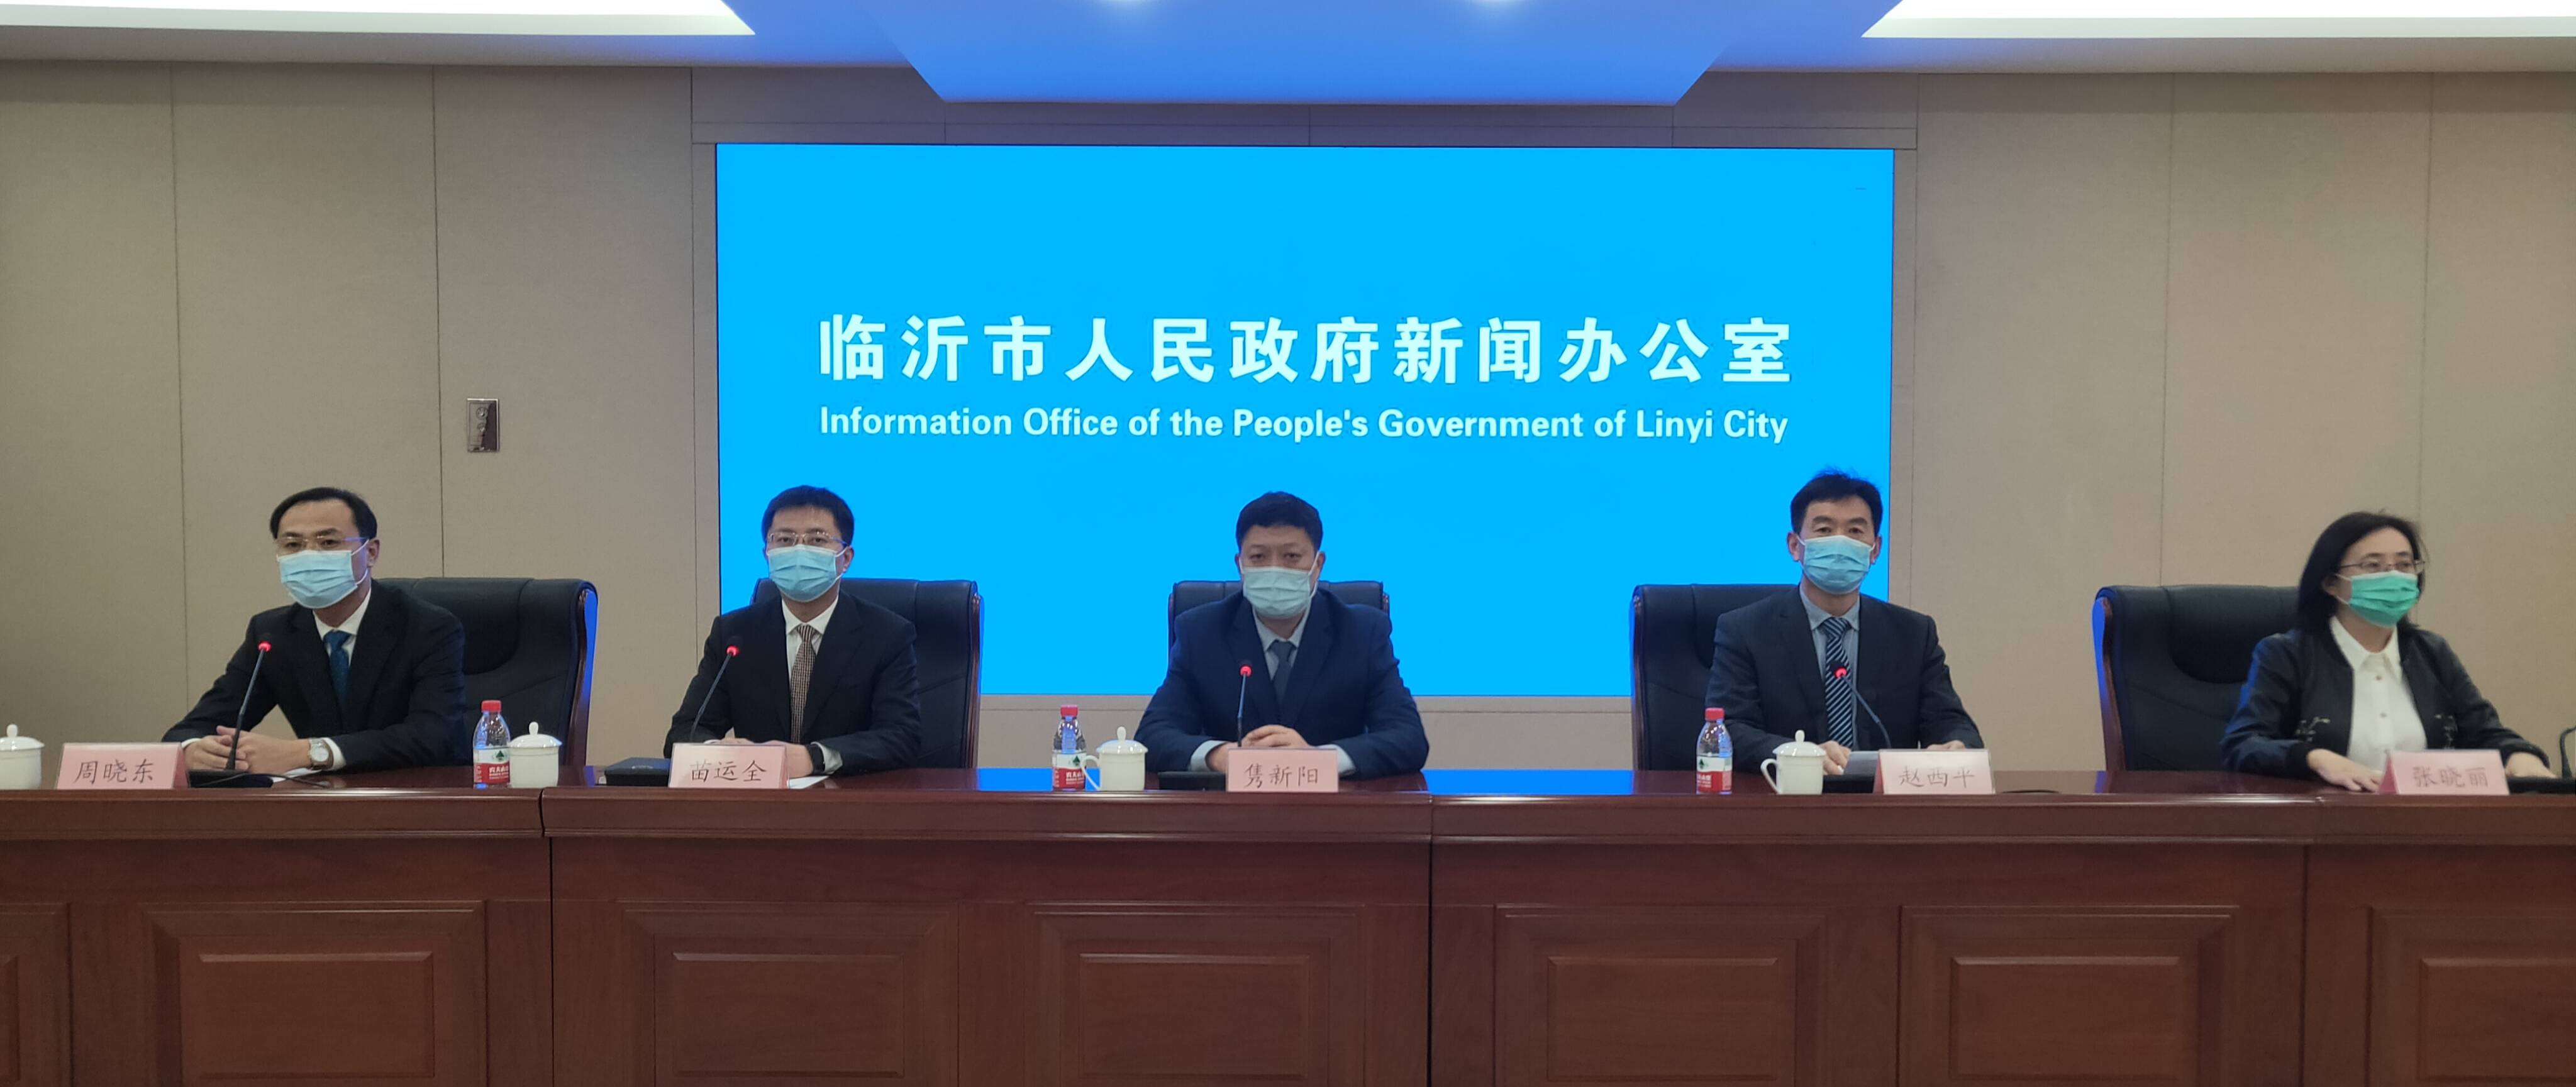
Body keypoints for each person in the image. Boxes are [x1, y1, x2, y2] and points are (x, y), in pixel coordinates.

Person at [2221, 512, 2550, 790]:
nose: (2393, 577)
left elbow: (2486, 733)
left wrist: (2520, 755)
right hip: (2321, 825)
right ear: (2331, 582)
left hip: (2426, 825)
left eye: (2404, 565)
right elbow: (2244, 745)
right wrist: (2315, 758)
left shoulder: (2431, 653)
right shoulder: (2287, 654)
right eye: (2373, 566)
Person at [1693, 470, 1982, 773]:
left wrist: (1957, 745)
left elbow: (1950, 721)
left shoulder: (1913, 634)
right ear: (1795, 546)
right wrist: (1800, 754)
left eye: (1855, 531)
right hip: (1787, 794)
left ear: (1875, 550)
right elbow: (1731, 730)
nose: (1840, 542)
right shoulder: (1746, 630)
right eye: (1824, 530)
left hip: (1882, 799)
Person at [167, 487, 469, 772]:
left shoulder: (427, 627)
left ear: (371, 552)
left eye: (328, 543)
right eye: (293, 545)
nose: (309, 555)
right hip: (320, 796)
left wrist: (310, 753)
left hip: (415, 793)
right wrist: (193, 751)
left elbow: (434, 735)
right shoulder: (273, 633)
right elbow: (191, 728)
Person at [1137, 491, 1430, 780]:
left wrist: (1318, 760)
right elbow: (1152, 735)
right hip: (1231, 805)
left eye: (1291, 557)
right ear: (1240, 565)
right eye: (1259, 557)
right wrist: (1220, 756)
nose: (1274, 569)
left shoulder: (1362, 632)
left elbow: (1408, 738)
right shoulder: (1201, 631)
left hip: (1334, 805)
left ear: (1317, 565)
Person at [665, 485, 921, 777]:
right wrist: (719, 752)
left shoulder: (887, 634)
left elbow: (902, 736)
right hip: (758, 796)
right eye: (785, 540)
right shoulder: (734, 634)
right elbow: (685, 731)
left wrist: (815, 757)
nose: (799, 550)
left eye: (817, 539)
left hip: (850, 797)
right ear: (767, 554)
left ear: (846, 558)